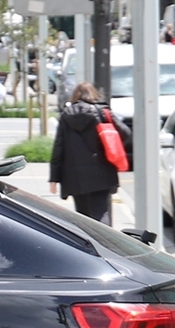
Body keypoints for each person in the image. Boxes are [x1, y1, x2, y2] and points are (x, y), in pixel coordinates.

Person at [50, 80, 128, 223]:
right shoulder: (103, 113)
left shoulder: (66, 116)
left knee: (82, 216)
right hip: (102, 172)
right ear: (93, 94)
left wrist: (54, 178)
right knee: (101, 211)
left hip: (74, 176)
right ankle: (105, 242)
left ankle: (88, 244)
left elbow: (58, 147)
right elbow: (125, 132)